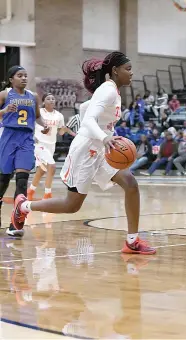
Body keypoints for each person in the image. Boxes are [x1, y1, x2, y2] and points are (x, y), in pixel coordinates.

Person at [11, 51, 156, 255]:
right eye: (128, 69)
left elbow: (87, 108)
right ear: (115, 71)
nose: (132, 73)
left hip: (104, 150)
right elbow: (88, 120)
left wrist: (106, 137)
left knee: (131, 184)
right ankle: (24, 207)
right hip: (87, 150)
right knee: (72, 205)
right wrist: (105, 137)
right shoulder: (108, 90)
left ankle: (132, 241)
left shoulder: (111, 90)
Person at [0, 65, 49, 237]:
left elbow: (36, 117)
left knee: (22, 181)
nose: (23, 78)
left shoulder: (33, 96)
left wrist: (44, 125)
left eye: (25, 75)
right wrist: (4, 110)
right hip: (8, 137)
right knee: (3, 180)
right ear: (11, 79)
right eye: (19, 75)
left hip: (26, 140)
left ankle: (16, 224)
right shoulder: (5, 95)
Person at [28, 93, 76, 200]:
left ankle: (30, 190)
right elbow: (30, 124)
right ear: (43, 102)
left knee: (42, 171)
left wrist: (68, 130)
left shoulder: (59, 115)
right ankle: (47, 194)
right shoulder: (39, 112)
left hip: (51, 145)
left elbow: (61, 133)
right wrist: (32, 136)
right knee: (52, 167)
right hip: (39, 143)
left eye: (53, 99)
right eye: (48, 99)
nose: (51, 100)